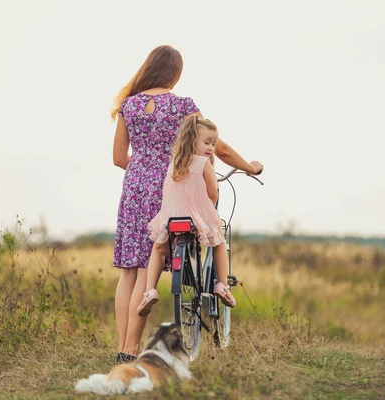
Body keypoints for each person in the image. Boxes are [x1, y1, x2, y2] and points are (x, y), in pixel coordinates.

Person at [112, 45, 263, 363]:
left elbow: (117, 159)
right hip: (171, 186)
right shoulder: (183, 106)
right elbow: (217, 147)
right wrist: (249, 166)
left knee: (129, 271)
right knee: (143, 272)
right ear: (175, 74)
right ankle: (129, 349)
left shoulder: (129, 105)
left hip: (133, 188)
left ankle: (124, 349)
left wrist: (143, 168)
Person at [137, 116, 234, 318]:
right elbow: (213, 193)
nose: (211, 148)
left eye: (214, 144)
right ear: (192, 140)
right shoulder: (203, 163)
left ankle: (149, 291)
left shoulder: (174, 163)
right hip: (197, 215)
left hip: (171, 216)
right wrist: (210, 209)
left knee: (159, 248)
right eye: (207, 142)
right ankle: (222, 285)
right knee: (218, 242)